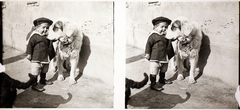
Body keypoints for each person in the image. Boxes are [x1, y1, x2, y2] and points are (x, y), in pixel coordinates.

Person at [145, 16, 175, 91]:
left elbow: (170, 41)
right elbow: (148, 44)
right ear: (155, 27)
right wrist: (147, 53)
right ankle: (153, 84)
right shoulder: (153, 36)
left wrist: (176, 37)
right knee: (154, 71)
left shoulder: (166, 36)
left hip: (164, 57)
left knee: (163, 69)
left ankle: (162, 79)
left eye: (166, 27)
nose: (164, 29)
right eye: (162, 27)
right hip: (155, 58)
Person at [26, 17, 55, 92]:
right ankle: (34, 85)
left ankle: (43, 80)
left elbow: (51, 42)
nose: (45, 29)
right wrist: (29, 54)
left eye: (47, 28)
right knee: (35, 72)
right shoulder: (34, 36)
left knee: (44, 70)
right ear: (37, 28)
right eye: (43, 27)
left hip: (45, 58)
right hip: (36, 58)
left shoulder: (47, 36)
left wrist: (57, 38)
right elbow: (30, 45)